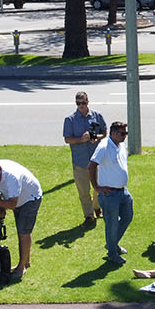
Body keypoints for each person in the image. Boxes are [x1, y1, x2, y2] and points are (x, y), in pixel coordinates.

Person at [0, 159, 43, 281]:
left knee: (23, 232)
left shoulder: (12, 179)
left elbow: (12, 204)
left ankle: (21, 268)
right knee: (21, 230)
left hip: (30, 199)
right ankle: (26, 261)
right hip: (18, 198)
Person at [89, 121, 133, 265]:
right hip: (109, 194)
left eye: (125, 133)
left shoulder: (121, 145)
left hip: (122, 191)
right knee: (111, 225)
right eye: (122, 133)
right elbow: (92, 166)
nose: (125, 136)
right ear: (113, 133)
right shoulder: (103, 147)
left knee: (127, 216)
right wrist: (96, 187)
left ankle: (112, 244)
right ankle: (112, 254)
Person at [62, 92, 106, 224]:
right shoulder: (70, 120)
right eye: (78, 103)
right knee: (83, 191)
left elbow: (104, 132)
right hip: (80, 161)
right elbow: (67, 139)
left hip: (96, 160)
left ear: (88, 101)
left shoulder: (97, 116)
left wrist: (96, 138)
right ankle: (88, 215)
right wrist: (81, 139)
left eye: (83, 102)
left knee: (98, 187)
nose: (81, 105)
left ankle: (97, 207)